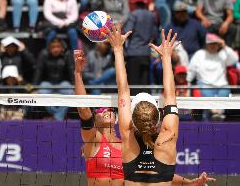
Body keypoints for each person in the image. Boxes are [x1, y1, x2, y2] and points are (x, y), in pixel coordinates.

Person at [74, 49, 216, 186]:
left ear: (127, 118)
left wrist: (117, 49)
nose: (106, 110)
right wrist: (78, 74)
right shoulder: (98, 141)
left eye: (109, 109)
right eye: (100, 109)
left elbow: (158, 174)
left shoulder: (126, 140)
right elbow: (83, 109)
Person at [106, 22, 211, 185]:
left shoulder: (127, 133)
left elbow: (123, 90)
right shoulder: (168, 134)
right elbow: (170, 95)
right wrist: (166, 57)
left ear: (133, 119)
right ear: (158, 118)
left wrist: (118, 50)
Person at [187, 33, 239, 120]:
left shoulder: (222, 54)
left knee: (224, 92)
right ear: (206, 44)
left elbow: (234, 59)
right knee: (207, 98)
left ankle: (217, 115)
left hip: (222, 85)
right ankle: (215, 113)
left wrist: (225, 46)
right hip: (205, 85)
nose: (213, 46)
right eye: (211, 43)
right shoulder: (199, 54)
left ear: (219, 45)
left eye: (215, 44)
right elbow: (191, 70)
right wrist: (188, 82)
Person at [33, 38, 73, 121]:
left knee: (72, 95)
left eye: (58, 47)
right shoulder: (44, 54)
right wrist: (34, 88)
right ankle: (58, 116)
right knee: (39, 93)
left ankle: (56, 117)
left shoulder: (67, 54)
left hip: (63, 83)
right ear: (49, 48)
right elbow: (38, 71)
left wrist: (76, 88)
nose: (55, 49)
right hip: (48, 83)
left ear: (62, 48)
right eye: (53, 47)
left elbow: (72, 71)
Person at [123, 0, 158, 94]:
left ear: (136, 4)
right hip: (146, 53)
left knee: (134, 85)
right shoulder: (151, 16)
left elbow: (127, 31)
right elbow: (155, 34)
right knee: (145, 85)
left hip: (133, 53)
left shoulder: (133, 15)